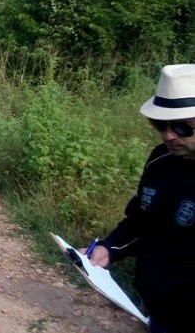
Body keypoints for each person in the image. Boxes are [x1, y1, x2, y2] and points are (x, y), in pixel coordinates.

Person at [82, 64, 195, 333]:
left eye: (181, 127)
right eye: (160, 125)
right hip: (157, 311)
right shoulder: (160, 160)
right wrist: (109, 247)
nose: (169, 135)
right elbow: (142, 221)